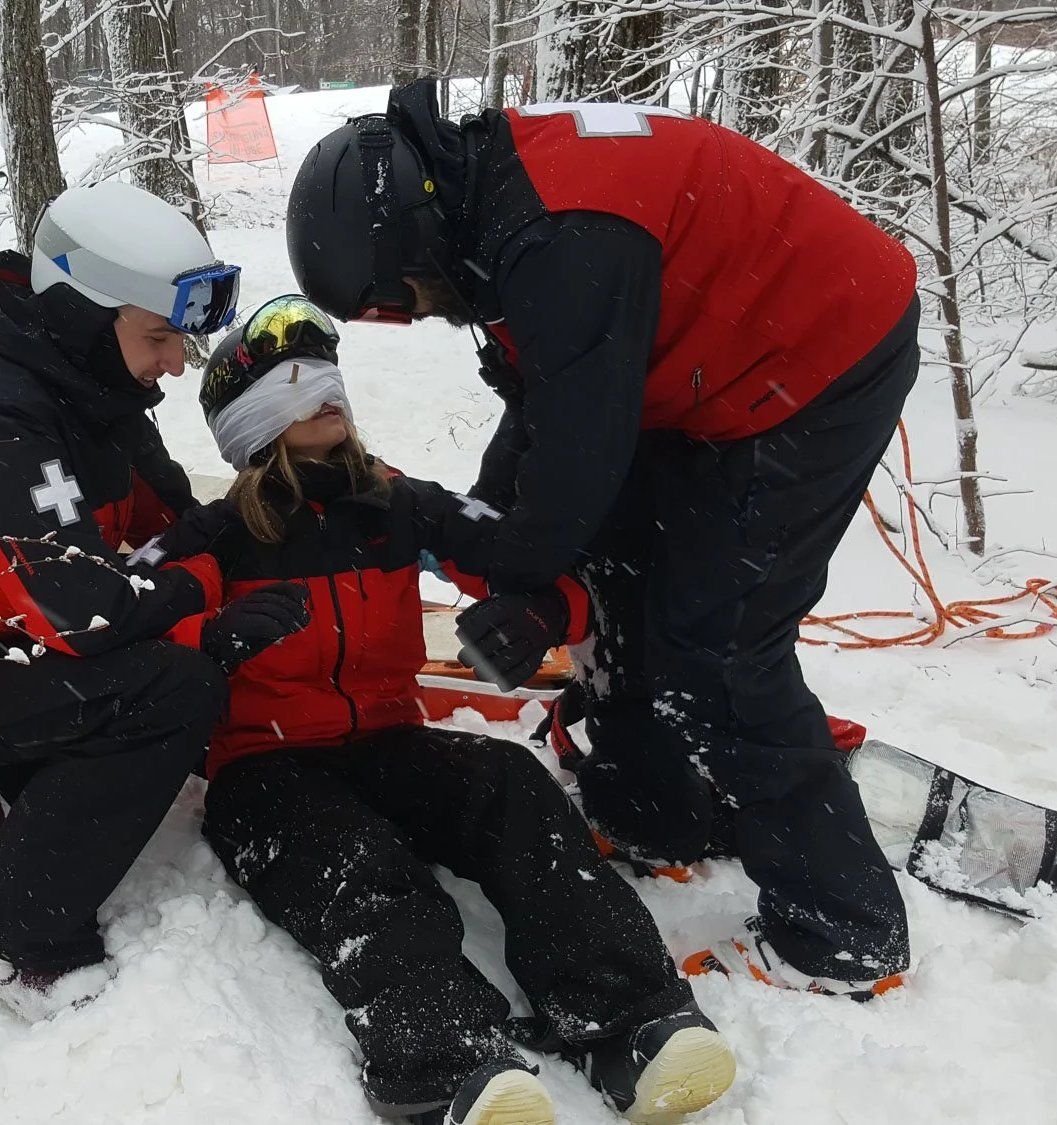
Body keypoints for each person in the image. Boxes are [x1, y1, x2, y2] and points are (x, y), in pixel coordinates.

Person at [284, 78, 920, 999]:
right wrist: (499, 545)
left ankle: (841, 931)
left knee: (723, 647)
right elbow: (544, 419)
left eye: (411, 300)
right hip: (695, 361)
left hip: (815, 359)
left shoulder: (556, 238)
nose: (424, 314)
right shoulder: (486, 204)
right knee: (619, 576)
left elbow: (577, 460)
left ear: (413, 244)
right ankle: (657, 815)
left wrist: (516, 578)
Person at [141, 295, 737, 1125]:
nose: (326, 397)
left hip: (388, 737)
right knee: (356, 860)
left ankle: (631, 1020)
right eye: (296, 385)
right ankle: (444, 1061)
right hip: (262, 767)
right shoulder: (218, 532)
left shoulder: (398, 506)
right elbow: (121, 613)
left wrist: (540, 614)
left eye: (330, 383)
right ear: (254, 421)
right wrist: (210, 633)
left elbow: (521, 558)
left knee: (510, 782)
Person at [0, 180, 309, 1021]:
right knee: (175, 689)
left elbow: (168, 526)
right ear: (86, 313)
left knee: (161, 643)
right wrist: (210, 621)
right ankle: (13, 935)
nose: (177, 362)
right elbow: (86, 610)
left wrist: (250, 531)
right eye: (160, 336)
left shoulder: (92, 388)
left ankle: (6, 783)